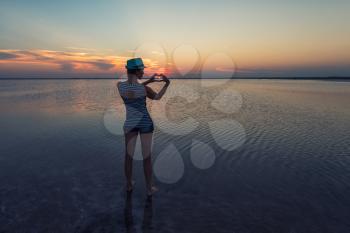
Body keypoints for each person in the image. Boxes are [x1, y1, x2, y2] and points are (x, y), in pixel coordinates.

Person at [117, 58, 170, 196]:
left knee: (128, 157)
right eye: (142, 69)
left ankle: (129, 185)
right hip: (145, 123)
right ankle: (149, 189)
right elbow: (157, 97)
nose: (144, 71)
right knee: (147, 158)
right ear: (136, 70)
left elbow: (132, 90)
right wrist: (167, 84)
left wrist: (148, 81)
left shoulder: (120, 86)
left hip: (130, 124)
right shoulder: (144, 88)